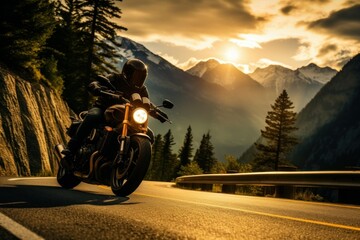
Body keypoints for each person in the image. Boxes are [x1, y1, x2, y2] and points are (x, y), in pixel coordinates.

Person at [61, 59, 153, 170]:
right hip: (103, 108)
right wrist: (97, 87)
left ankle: (131, 163)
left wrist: (156, 111)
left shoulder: (142, 89)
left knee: (149, 134)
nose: (138, 79)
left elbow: (146, 101)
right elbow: (98, 83)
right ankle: (71, 148)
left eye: (141, 77)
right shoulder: (115, 78)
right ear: (127, 72)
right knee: (93, 116)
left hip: (126, 116)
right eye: (136, 75)